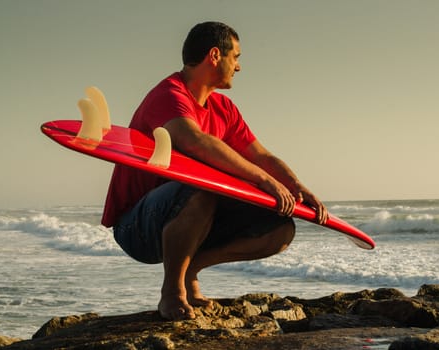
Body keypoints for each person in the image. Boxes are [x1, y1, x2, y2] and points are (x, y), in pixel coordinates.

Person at [101, 21, 328, 320]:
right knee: (200, 188)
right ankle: (172, 293)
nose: (239, 67)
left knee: (280, 228)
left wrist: (296, 186)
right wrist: (264, 180)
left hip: (192, 217)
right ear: (214, 56)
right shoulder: (169, 94)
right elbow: (194, 140)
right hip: (136, 227)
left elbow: (259, 155)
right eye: (236, 57)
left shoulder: (225, 109)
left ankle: (190, 270)